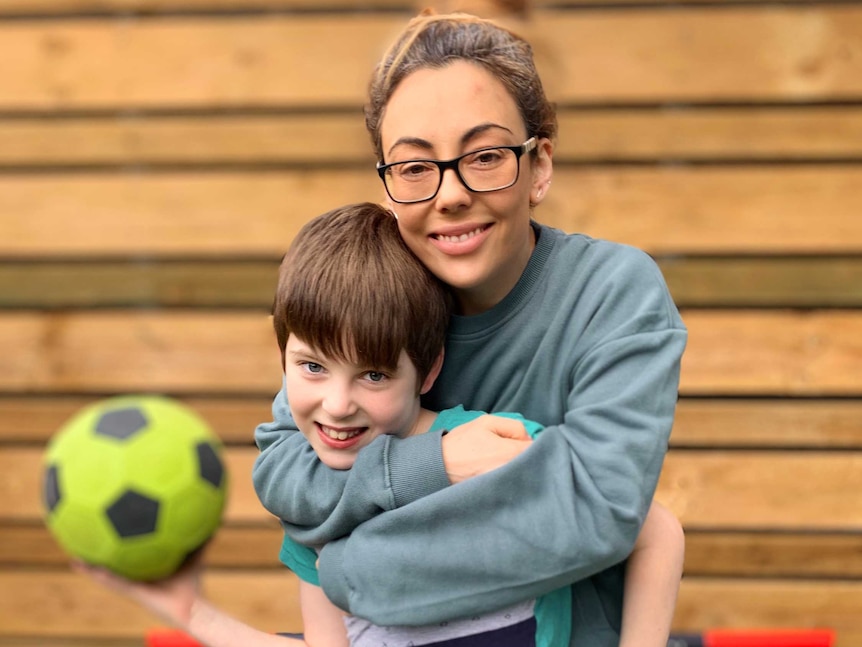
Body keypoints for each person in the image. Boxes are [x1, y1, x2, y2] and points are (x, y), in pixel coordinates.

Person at [252, 10, 688, 647]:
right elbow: (289, 471)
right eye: (415, 166)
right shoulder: (377, 295)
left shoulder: (611, 295)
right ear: (388, 180)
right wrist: (438, 461)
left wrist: (350, 568)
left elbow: (595, 512)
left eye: (483, 156)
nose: (449, 193)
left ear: (538, 165)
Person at [78, 202, 683, 647]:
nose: (337, 405)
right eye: (311, 366)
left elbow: (651, 528)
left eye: (372, 376)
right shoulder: (315, 510)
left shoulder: (487, 445)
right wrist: (192, 611)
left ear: (428, 370)